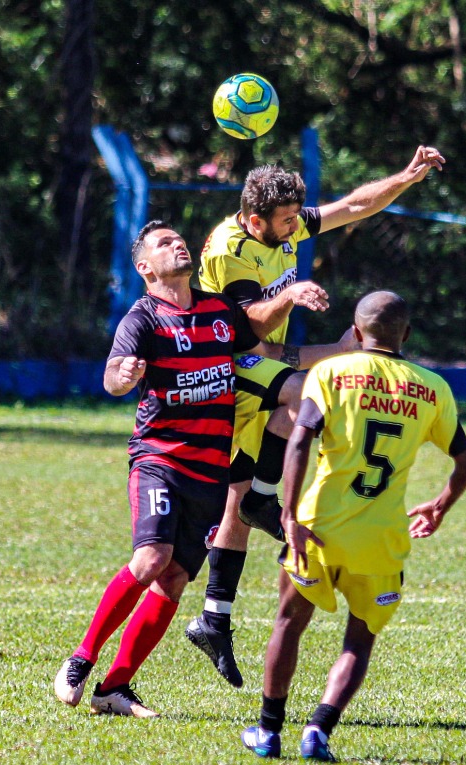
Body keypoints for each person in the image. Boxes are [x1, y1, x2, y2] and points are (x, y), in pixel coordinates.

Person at [185, 146, 447, 690]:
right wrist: (298, 303)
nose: (293, 230)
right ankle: (269, 499)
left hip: (262, 361)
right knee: (313, 400)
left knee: (241, 495)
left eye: (294, 221)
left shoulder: (280, 227)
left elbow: (353, 206)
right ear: (255, 220)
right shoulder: (231, 249)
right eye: (284, 223)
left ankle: (215, 616)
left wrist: (406, 173)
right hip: (230, 365)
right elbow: (251, 327)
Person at [52, 220, 298, 718]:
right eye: (165, 243)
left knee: (175, 578)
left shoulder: (219, 310)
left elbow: (267, 346)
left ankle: (114, 689)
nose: (178, 243)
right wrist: (121, 377)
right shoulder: (142, 319)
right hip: (160, 459)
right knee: (150, 559)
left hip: (211, 471)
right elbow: (113, 378)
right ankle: (81, 658)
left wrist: (311, 316)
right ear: (145, 267)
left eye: (179, 239)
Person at [240, 290, 466, 760]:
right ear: (405, 334)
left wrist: (287, 513)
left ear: (355, 327)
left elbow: (301, 439)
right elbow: (465, 463)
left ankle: (268, 731)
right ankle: (319, 730)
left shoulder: (330, 372)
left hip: (318, 526)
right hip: (381, 537)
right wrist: (440, 506)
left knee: (289, 621)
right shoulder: (432, 387)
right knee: (359, 637)